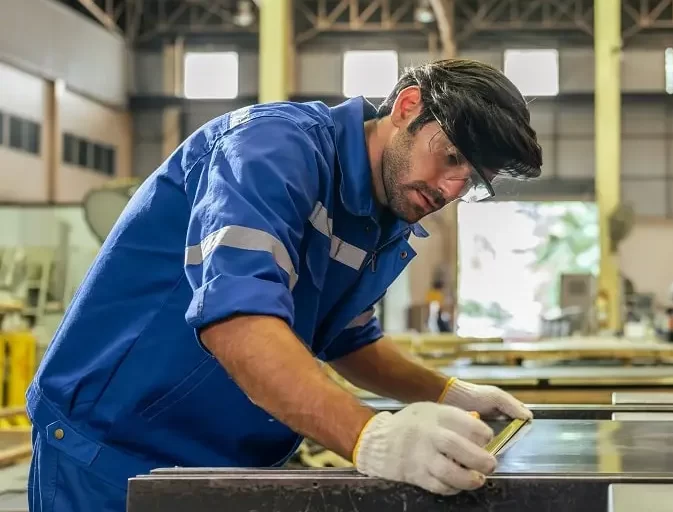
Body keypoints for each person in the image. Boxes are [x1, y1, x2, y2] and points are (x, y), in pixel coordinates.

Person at [26, 58, 543, 511]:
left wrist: (451, 395)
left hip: (230, 459)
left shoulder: (383, 216)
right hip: (112, 454)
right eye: (451, 157)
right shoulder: (271, 149)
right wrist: (371, 435)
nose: (451, 188)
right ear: (407, 107)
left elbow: (346, 339)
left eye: (472, 182)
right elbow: (237, 322)